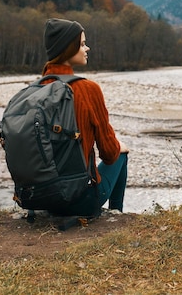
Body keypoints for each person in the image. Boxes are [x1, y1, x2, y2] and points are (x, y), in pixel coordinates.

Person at [42, 18, 129, 212]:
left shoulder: (35, 91)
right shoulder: (88, 89)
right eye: (82, 44)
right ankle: (117, 214)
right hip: (79, 200)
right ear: (68, 48)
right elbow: (108, 154)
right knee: (121, 153)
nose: (87, 48)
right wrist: (118, 146)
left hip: (40, 199)